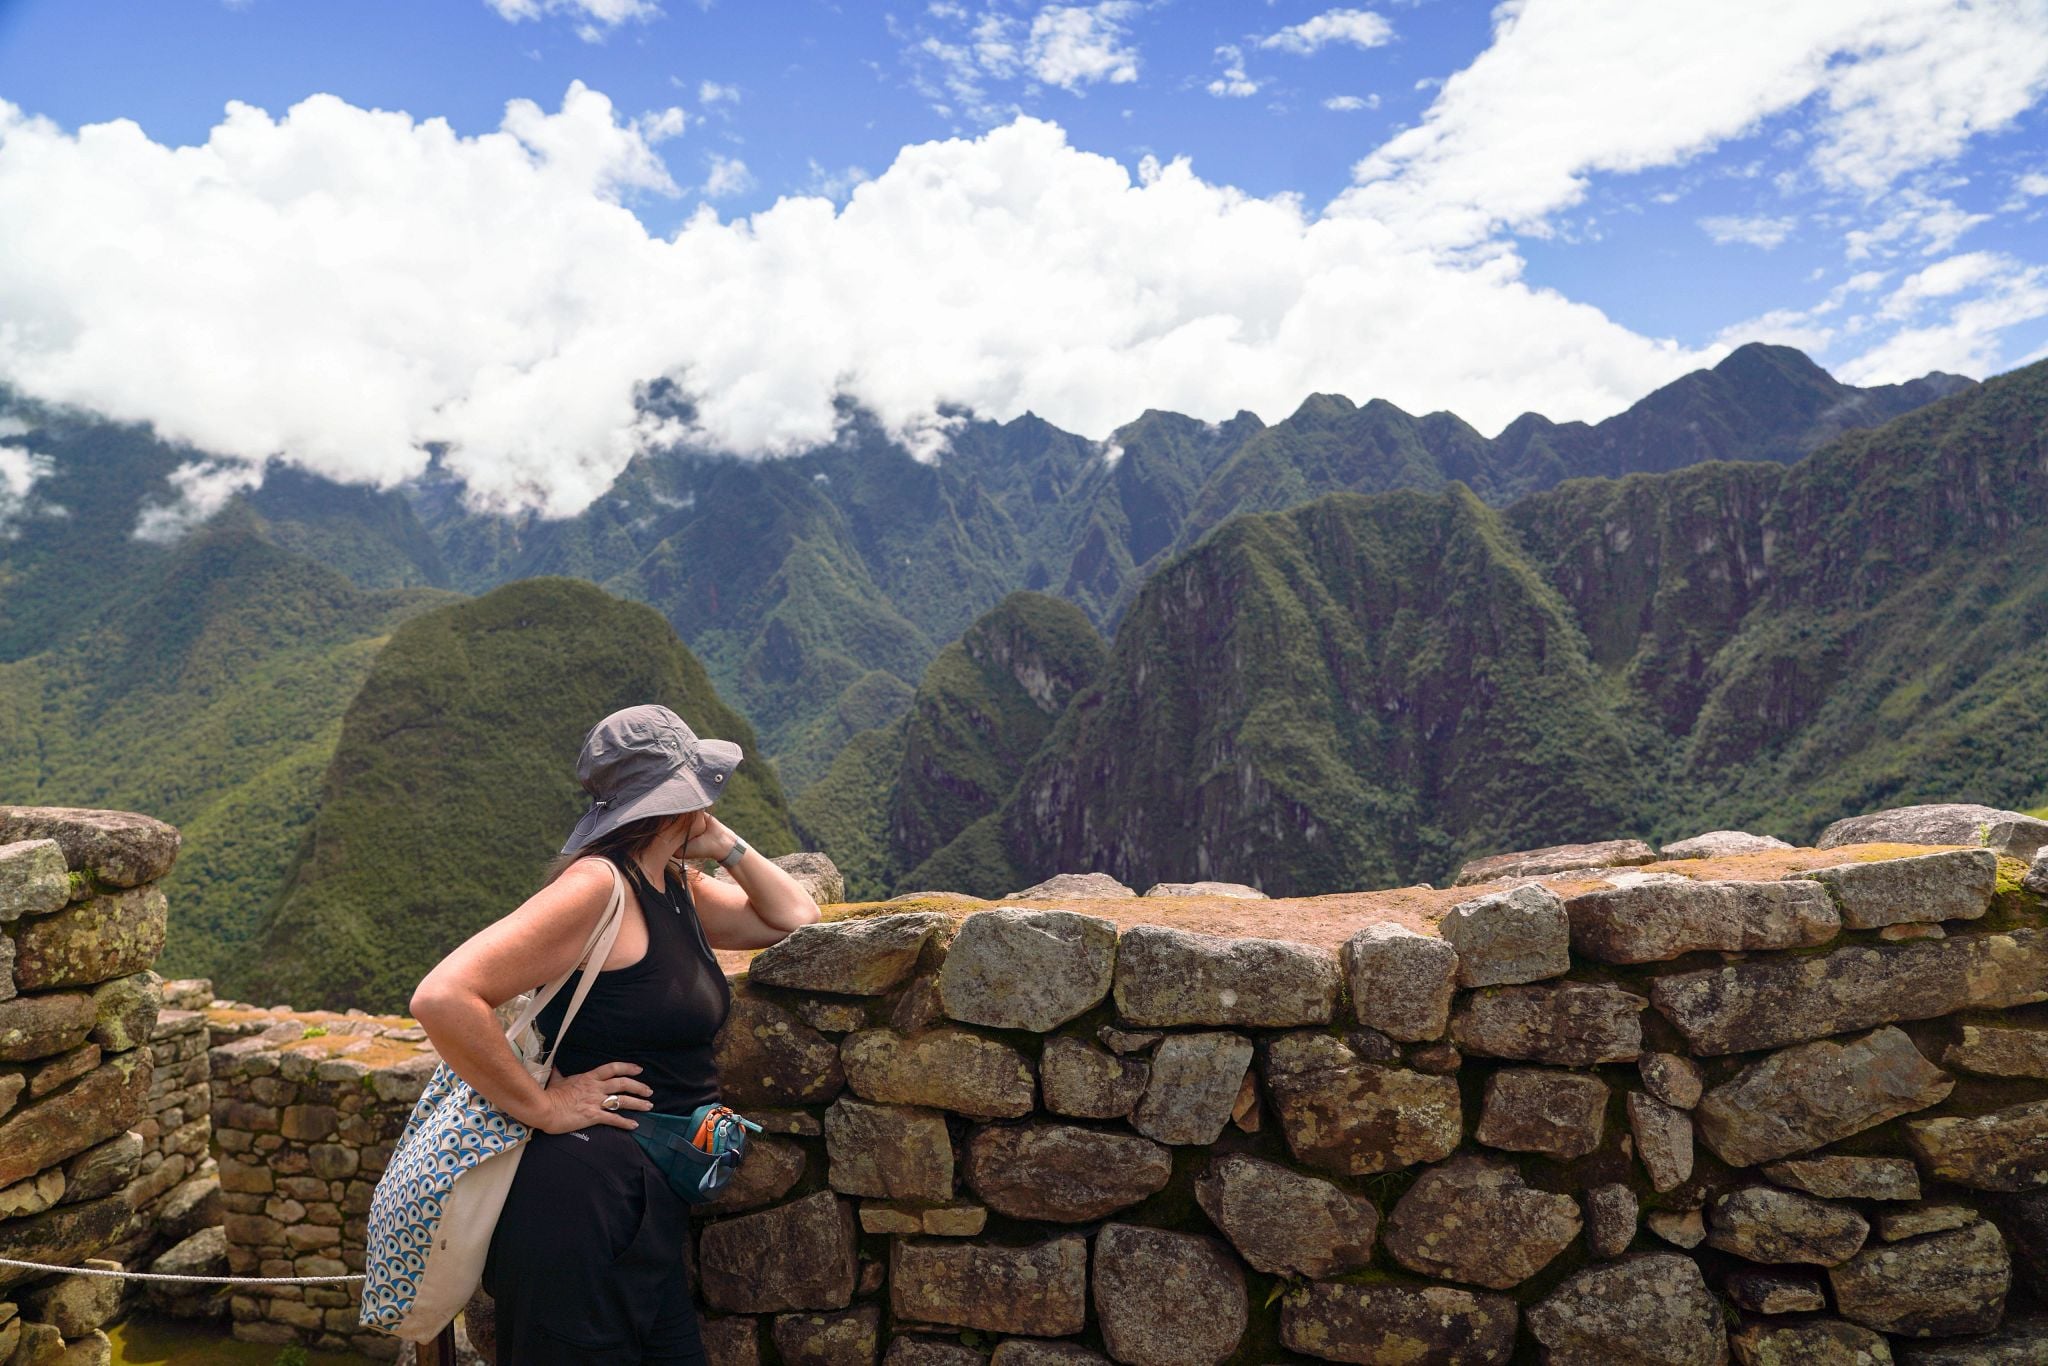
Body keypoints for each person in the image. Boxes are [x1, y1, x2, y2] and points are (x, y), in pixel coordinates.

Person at [409, 704, 821, 1363]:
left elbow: (792, 915)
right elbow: (442, 996)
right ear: (675, 798)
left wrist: (724, 845)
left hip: (646, 1207)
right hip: (577, 1207)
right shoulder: (598, 887)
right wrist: (544, 1107)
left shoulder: (672, 882)